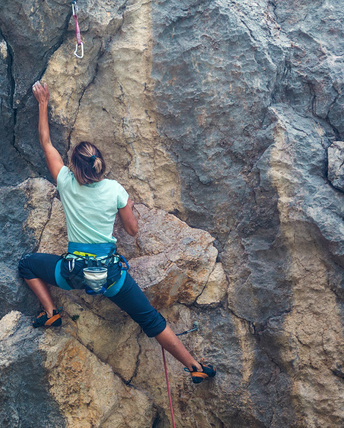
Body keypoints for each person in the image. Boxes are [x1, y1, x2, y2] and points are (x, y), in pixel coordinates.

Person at [18, 81, 216, 383]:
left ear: (73, 166)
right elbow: (133, 231)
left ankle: (50, 311)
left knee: (27, 265)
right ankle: (195, 367)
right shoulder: (115, 190)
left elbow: (46, 143)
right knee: (150, 319)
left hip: (73, 274)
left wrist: (43, 103)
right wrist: (130, 207)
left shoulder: (66, 183)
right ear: (100, 165)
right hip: (110, 278)